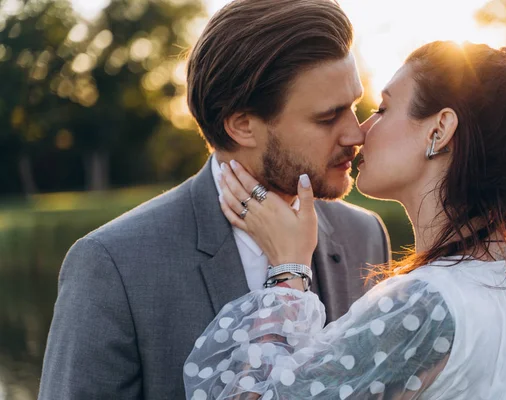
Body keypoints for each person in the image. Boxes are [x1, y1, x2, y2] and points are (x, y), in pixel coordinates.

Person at [183, 41, 506, 399]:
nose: (360, 132)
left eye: (383, 108)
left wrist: (289, 270)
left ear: (440, 130)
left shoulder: (427, 305)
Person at [38, 1, 390, 398]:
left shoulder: (364, 234)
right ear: (242, 126)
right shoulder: (113, 265)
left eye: (355, 106)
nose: (355, 134)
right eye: (328, 118)